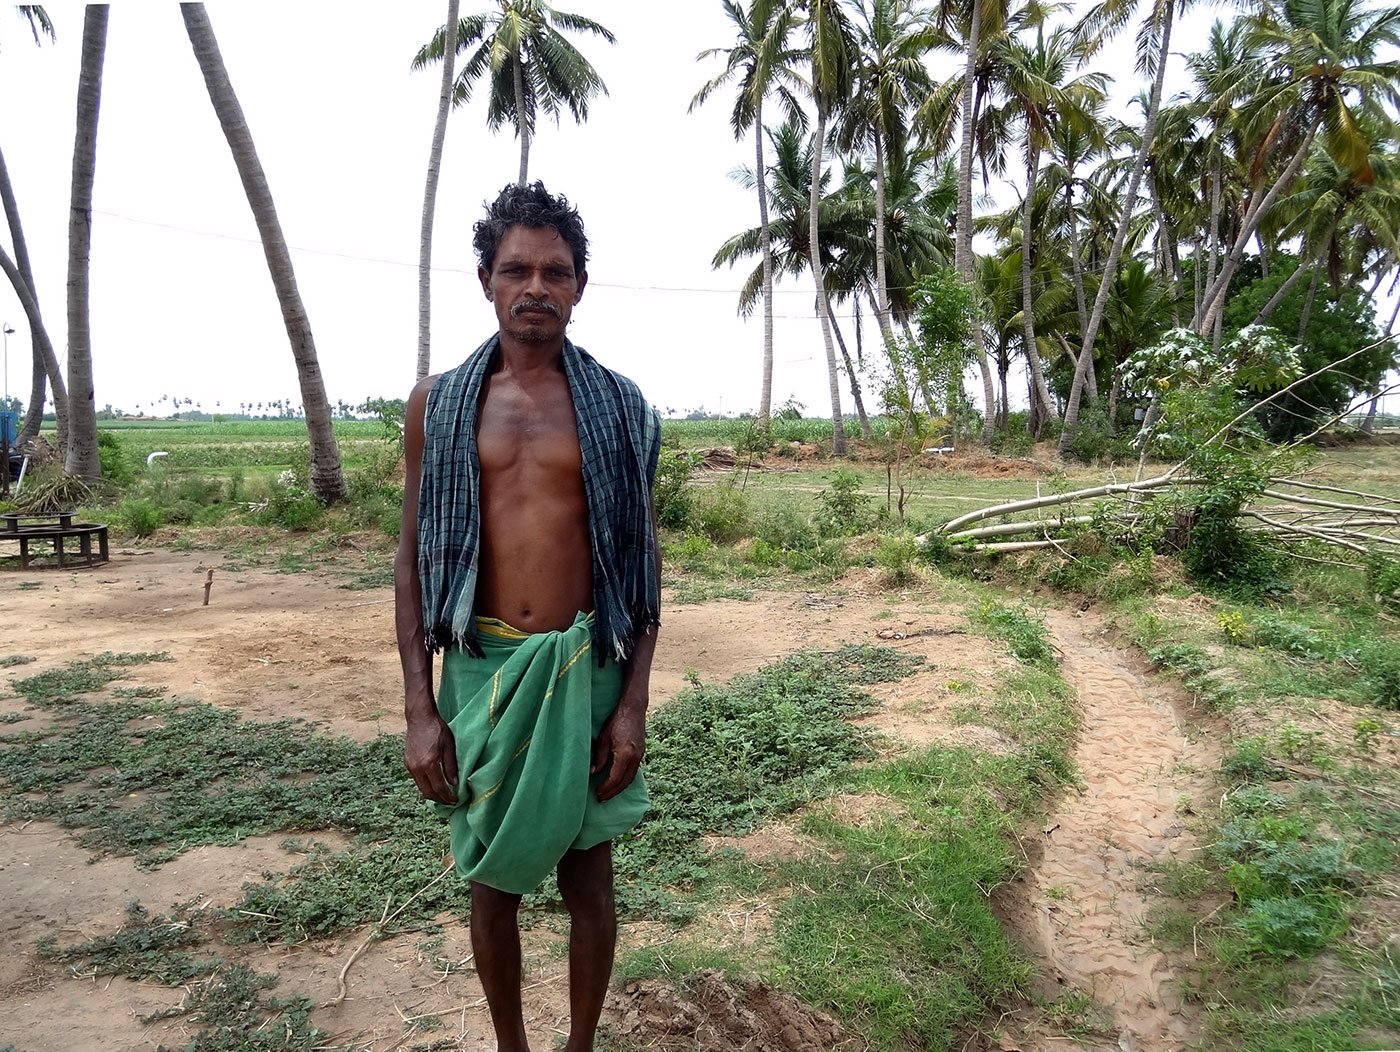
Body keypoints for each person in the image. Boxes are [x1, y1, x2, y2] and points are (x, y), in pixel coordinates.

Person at [395, 181, 661, 1052]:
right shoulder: (439, 404)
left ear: (580, 286)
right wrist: (419, 708)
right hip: (480, 672)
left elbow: (639, 566)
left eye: (555, 270)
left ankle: (579, 1046)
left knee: (590, 881)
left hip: (585, 671)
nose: (535, 286)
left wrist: (630, 704)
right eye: (517, 269)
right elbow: (412, 558)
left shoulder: (619, 408)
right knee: (491, 884)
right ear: (486, 279)